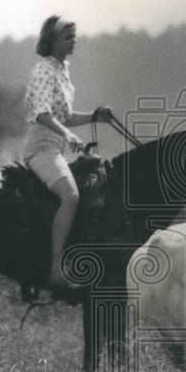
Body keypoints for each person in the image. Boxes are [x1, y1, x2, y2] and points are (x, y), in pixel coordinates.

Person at [22, 15, 113, 291]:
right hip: (40, 148)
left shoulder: (62, 70)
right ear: (51, 40)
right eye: (67, 37)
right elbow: (42, 114)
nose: (73, 41)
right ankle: (55, 270)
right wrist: (68, 135)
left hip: (55, 149)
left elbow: (67, 116)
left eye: (74, 36)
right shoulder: (43, 70)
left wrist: (95, 117)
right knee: (70, 197)